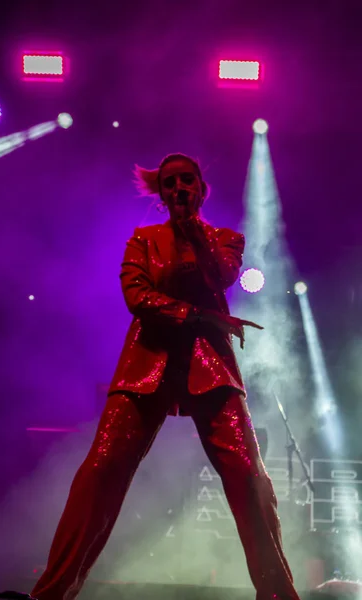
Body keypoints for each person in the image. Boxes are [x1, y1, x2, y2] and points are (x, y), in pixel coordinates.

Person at [31, 153, 300, 600]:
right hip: (147, 363)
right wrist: (197, 316)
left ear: (200, 189)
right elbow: (137, 295)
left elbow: (222, 276)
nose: (178, 189)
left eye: (187, 181)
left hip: (210, 368)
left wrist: (195, 233)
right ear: (161, 194)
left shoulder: (227, 240)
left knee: (250, 475)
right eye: (170, 183)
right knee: (101, 470)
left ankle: (277, 595)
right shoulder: (143, 240)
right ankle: (51, 594)